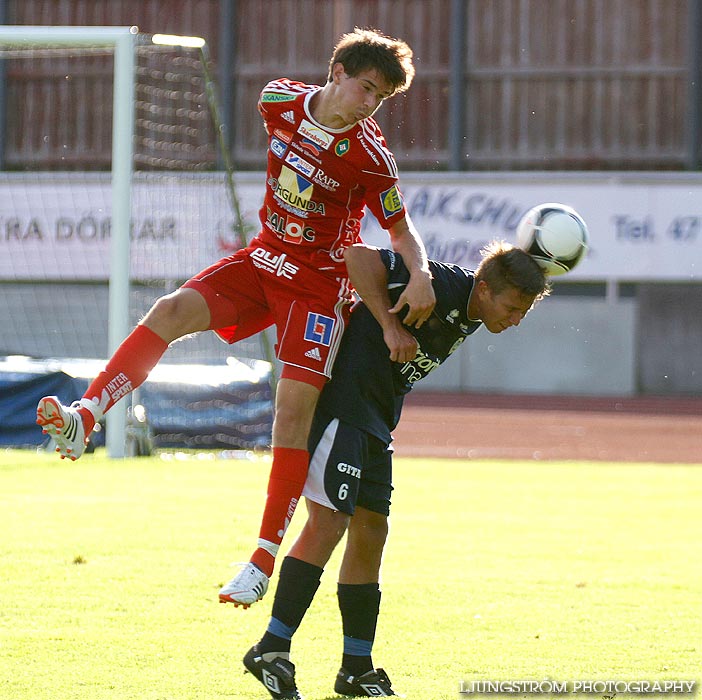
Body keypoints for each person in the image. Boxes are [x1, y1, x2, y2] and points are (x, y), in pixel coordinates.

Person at [35, 28, 436, 608]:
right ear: (338, 73)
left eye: (381, 98)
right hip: (263, 258)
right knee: (169, 311)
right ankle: (87, 413)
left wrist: (418, 272)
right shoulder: (278, 101)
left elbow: (400, 232)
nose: (370, 104)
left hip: (319, 288)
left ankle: (261, 557)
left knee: (290, 413)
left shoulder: (371, 156)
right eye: (367, 88)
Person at [241, 241, 551, 698]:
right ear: (483, 290)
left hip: (376, 419)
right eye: (512, 307)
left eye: (523, 311)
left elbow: (507, 272)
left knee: (372, 531)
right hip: (341, 406)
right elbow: (357, 256)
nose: (516, 319)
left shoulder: (473, 308)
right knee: (328, 523)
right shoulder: (440, 284)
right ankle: (272, 649)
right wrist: (389, 324)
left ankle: (356, 668)